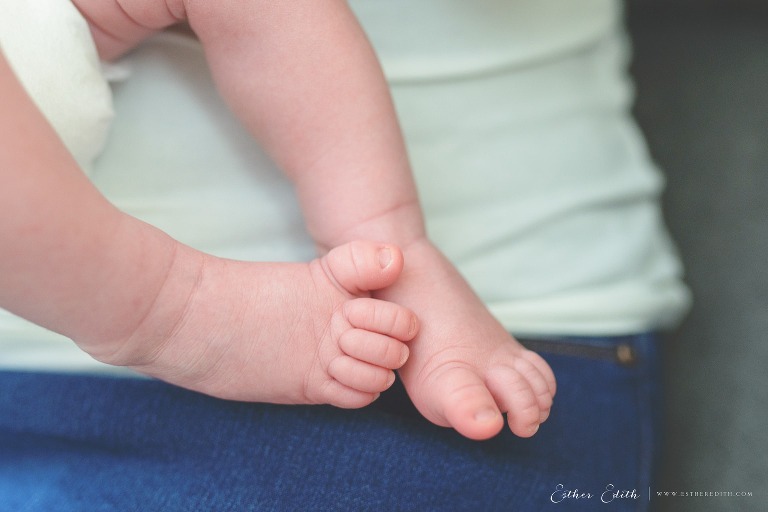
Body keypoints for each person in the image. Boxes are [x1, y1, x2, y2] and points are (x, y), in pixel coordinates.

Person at [0, 0, 689, 510]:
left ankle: (387, 250)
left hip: (411, 362)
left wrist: (386, 245)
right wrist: (172, 308)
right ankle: (175, 309)